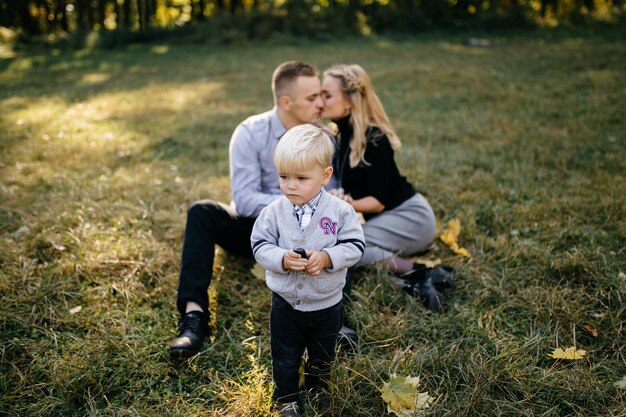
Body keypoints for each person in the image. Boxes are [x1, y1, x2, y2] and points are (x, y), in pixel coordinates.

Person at [169, 61, 325, 358]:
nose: (321, 104)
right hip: (254, 229)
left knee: (333, 230)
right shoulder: (250, 132)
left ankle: (336, 322)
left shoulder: (324, 137)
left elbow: (330, 195)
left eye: (320, 96)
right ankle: (194, 317)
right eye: (312, 98)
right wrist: (298, 199)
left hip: (305, 233)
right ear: (286, 102)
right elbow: (244, 200)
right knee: (202, 211)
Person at [250, 124, 365, 417]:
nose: (290, 185)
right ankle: (287, 396)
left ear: (325, 176)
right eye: (283, 177)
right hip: (286, 303)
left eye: (301, 178)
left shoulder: (340, 212)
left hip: (327, 302)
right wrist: (281, 258)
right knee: (285, 354)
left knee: (323, 353)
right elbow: (260, 244)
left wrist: (327, 257)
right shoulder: (273, 212)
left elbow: (354, 245)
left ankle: (317, 386)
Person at [320, 64, 453, 313]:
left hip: (411, 217)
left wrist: (346, 202)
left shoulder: (375, 139)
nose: (320, 100)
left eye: (327, 94)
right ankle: (414, 277)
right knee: (342, 244)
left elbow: (378, 200)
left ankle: (421, 272)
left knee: (345, 246)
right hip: (387, 217)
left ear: (349, 101)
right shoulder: (338, 136)